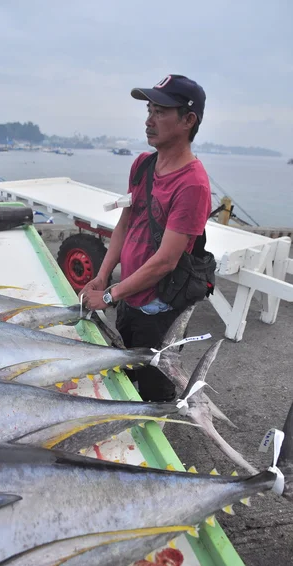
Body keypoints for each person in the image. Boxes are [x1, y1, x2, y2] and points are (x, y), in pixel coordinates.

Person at [80, 74, 212, 403]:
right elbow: (125, 222)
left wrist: (109, 297)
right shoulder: (143, 164)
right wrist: (102, 276)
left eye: (160, 112)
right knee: (123, 371)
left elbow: (167, 260)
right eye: (149, 110)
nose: (148, 121)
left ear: (188, 120)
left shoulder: (193, 184)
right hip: (129, 293)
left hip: (160, 306)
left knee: (156, 383)